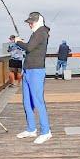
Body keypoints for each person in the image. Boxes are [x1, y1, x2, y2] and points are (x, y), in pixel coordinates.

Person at [14, 12, 52, 144]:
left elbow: (29, 48)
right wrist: (20, 42)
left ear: (39, 21)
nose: (30, 24)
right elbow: (31, 48)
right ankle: (31, 129)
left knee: (38, 101)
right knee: (27, 102)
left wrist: (18, 42)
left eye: (32, 22)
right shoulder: (36, 33)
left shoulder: (41, 32)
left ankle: (46, 132)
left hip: (36, 71)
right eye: (29, 22)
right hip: (28, 70)